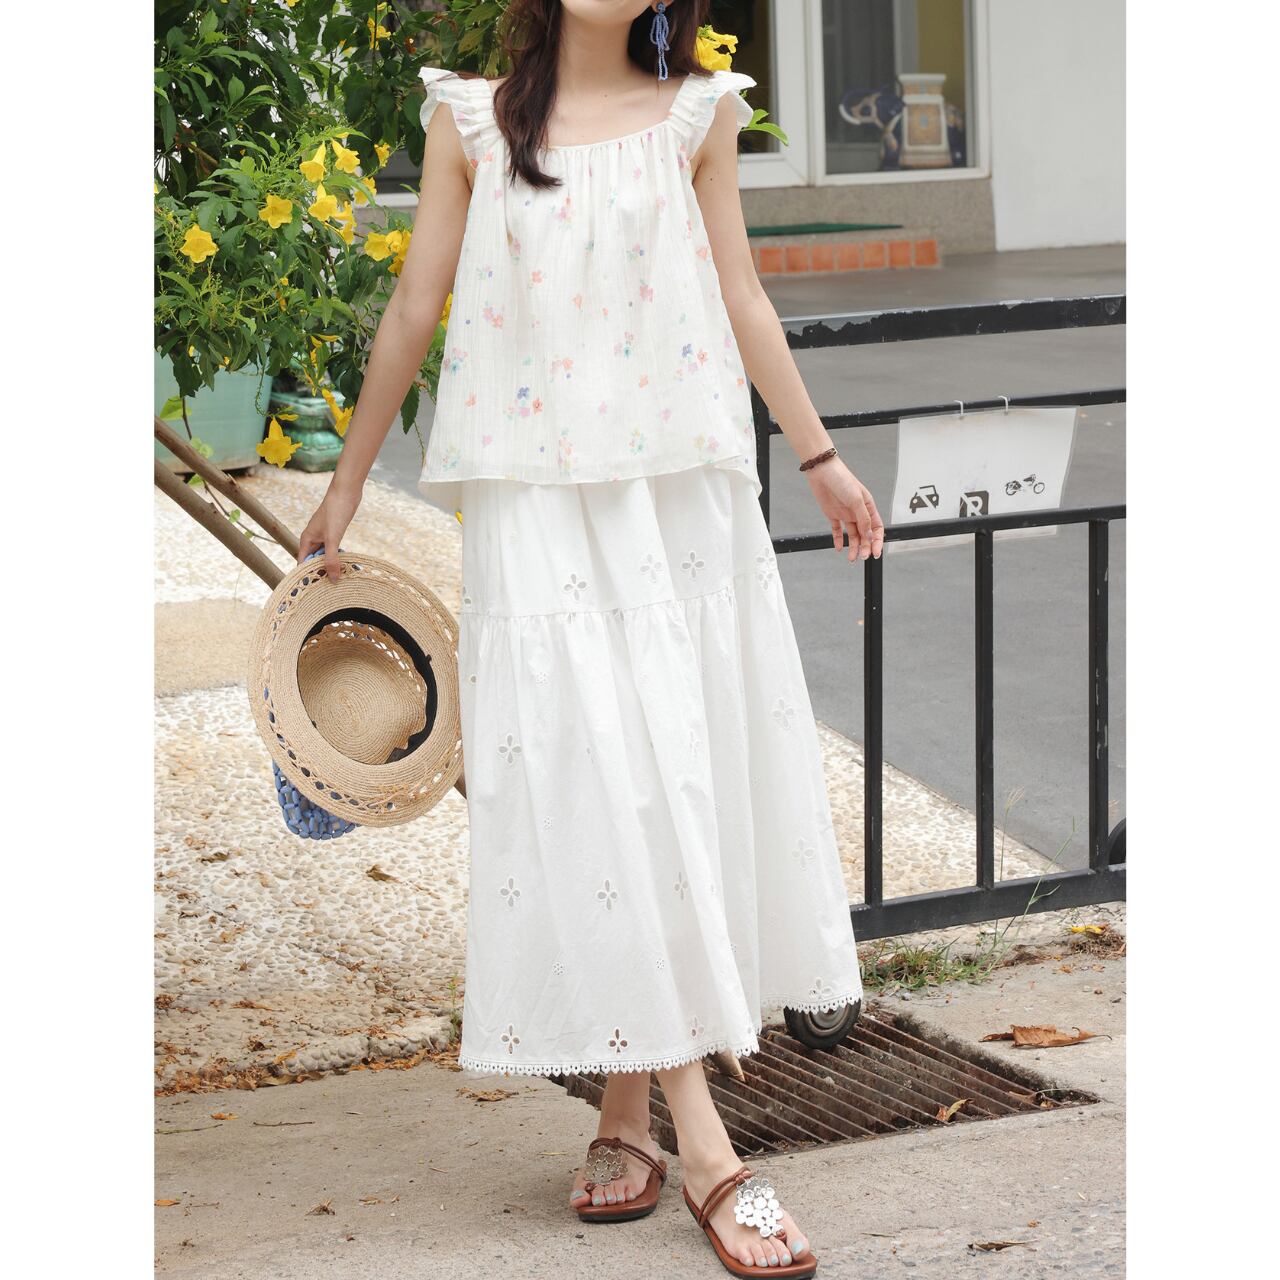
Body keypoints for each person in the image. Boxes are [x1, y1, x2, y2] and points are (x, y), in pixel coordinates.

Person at [298, 2, 885, 1274]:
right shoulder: (469, 123)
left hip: (673, 490)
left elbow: (739, 295)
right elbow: (413, 306)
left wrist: (819, 456)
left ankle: (629, 1108)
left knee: (667, 772)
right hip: (534, 502)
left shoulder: (697, 117)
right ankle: (709, 1149)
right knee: (602, 778)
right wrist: (344, 482)